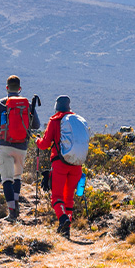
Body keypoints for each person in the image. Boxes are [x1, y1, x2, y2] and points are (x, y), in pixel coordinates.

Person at [0, 75, 40, 222]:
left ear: (7, 88)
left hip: (5, 144)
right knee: (17, 178)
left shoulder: (0, 103)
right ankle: (15, 206)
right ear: (20, 88)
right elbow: (36, 125)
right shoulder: (27, 104)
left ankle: (12, 213)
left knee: (6, 179)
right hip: (21, 146)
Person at [36, 95, 85, 237]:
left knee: (57, 196)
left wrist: (37, 141)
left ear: (56, 107)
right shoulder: (77, 121)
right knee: (69, 197)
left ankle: (63, 219)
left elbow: (45, 144)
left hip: (60, 164)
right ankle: (66, 229)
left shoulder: (55, 120)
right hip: (76, 164)